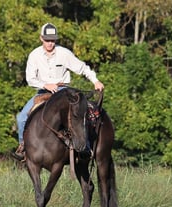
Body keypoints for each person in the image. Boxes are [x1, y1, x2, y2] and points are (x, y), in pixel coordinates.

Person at [12, 23, 104, 160]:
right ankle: (23, 147)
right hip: (43, 92)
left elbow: (82, 68)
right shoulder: (34, 55)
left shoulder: (64, 53)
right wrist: (46, 84)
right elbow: (30, 79)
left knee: (81, 113)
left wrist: (95, 80)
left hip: (63, 91)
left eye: (53, 40)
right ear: (41, 38)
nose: (50, 43)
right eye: (47, 40)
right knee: (21, 118)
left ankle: (86, 147)